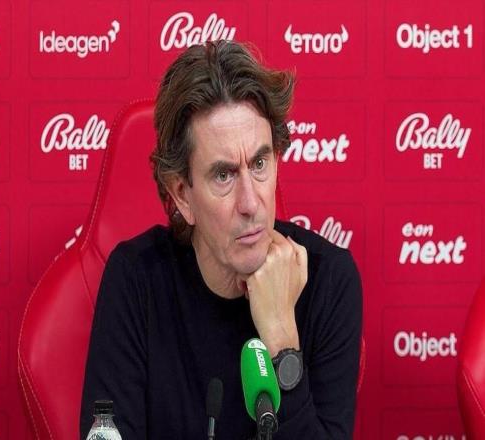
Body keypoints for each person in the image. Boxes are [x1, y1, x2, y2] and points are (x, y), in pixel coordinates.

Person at [80, 40, 362, 439]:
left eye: (260, 163)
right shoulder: (136, 280)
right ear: (182, 195)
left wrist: (282, 341)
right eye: (223, 175)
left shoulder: (329, 281)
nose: (251, 203)